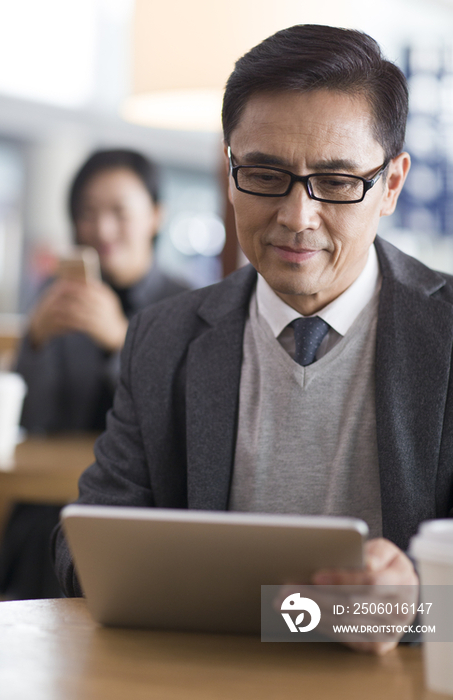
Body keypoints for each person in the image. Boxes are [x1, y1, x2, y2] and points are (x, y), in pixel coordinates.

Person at [53, 25, 451, 653]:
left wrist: (407, 610)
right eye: (265, 174)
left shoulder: (446, 335)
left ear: (392, 185)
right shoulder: (165, 337)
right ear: (230, 168)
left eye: (338, 181)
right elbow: (82, 554)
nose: (297, 217)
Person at [0, 149, 189, 599]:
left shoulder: (186, 303)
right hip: (48, 499)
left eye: (119, 212)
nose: (101, 229)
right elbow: (35, 417)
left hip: (141, 502)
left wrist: (122, 341)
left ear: (155, 216)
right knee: (39, 528)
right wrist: (37, 342)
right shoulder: (57, 295)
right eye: (87, 213)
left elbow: (182, 419)